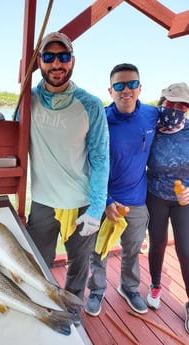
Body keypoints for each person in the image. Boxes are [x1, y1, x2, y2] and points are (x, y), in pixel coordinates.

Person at [0, 32, 110, 301]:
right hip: (43, 202)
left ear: (73, 60)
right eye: (49, 57)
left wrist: (97, 208)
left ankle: (73, 310)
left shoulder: (91, 105)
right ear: (39, 62)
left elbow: (100, 158)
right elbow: (16, 132)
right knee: (37, 262)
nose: (57, 64)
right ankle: (39, 304)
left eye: (64, 57)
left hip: (81, 202)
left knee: (78, 266)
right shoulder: (30, 100)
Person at [85, 63, 159, 316]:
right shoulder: (100, 120)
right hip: (103, 198)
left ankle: (128, 288)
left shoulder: (152, 115)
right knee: (99, 250)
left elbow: (181, 126)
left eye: (131, 84)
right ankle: (96, 290)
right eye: (119, 85)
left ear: (140, 87)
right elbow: (88, 162)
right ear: (110, 90)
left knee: (132, 248)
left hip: (137, 199)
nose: (126, 90)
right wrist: (105, 199)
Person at [145, 82, 189, 333]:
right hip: (156, 195)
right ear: (161, 103)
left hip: (184, 199)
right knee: (158, 243)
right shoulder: (152, 128)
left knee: (186, 249)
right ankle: (155, 284)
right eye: (170, 104)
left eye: (182, 105)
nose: (175, 109)